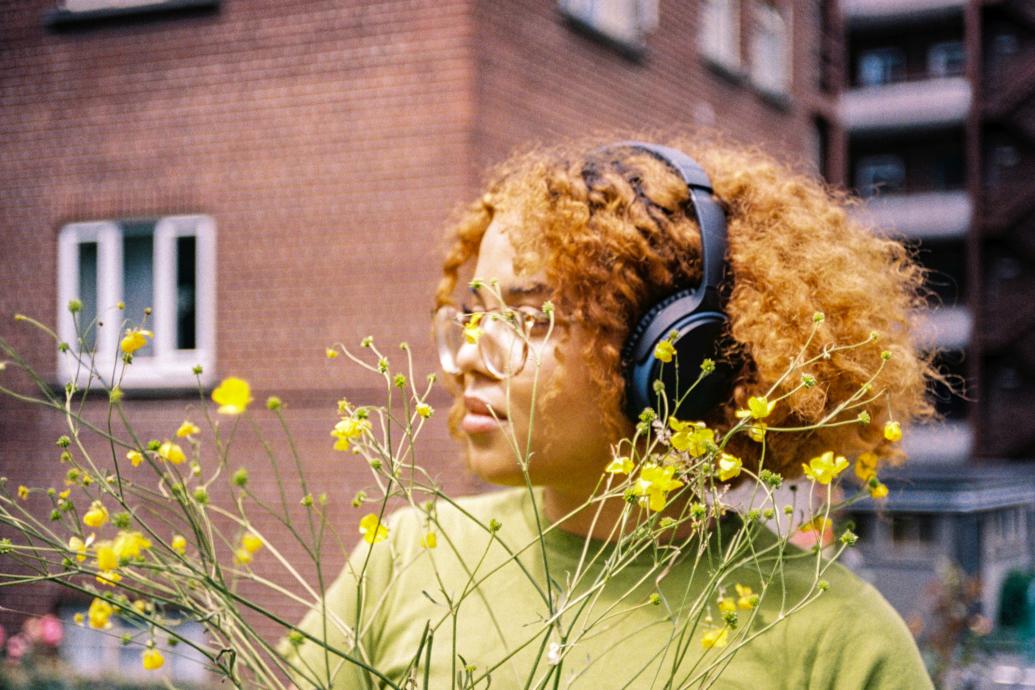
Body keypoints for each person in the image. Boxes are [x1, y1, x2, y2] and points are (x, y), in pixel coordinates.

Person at [280, 136, 936, 689]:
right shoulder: (402, 562)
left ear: (673, 354)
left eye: (530, 319)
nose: (468, 358)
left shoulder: (836, 644)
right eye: (475, 317)